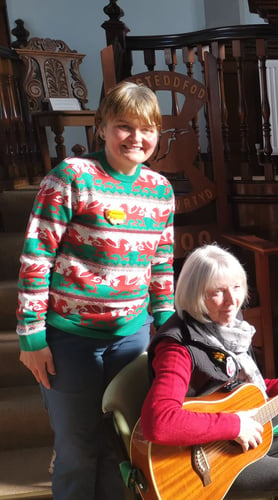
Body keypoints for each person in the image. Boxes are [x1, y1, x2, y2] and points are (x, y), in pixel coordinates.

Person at [16, 80, 175, 500]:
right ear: (102, 127)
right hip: (70, 342)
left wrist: (166, 324)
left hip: (132, 340)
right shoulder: (70, 177)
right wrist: (31, 337)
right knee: (77, 451)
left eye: (147, 129)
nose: (136, 139)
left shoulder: (161, 190)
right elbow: (36, 258)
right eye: (124, 126)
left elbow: (161, 266)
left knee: (121, 446)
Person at [141, 244, 278, 499]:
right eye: (217, 292)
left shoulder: (227, 329)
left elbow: (248, 393)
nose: (232, 300)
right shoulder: (177, 348)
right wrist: (233, 426)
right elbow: (159, 422)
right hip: (205, 462)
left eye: (236, 287)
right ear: (195, 295)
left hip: (232, 432)